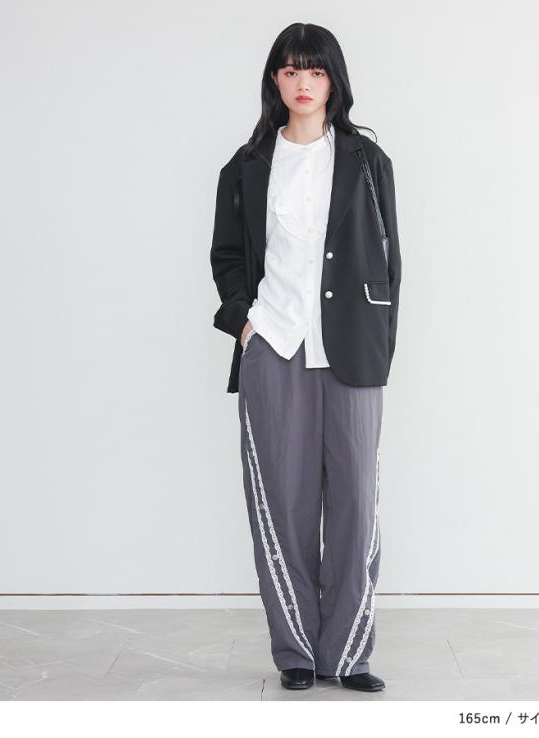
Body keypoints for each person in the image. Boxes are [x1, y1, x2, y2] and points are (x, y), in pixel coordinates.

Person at [210, 22, 401, 693]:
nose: (302, 83)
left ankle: (346, 655)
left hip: (352, 353)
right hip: (274, 348)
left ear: (333, 81)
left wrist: (381, 343)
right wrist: (245, 324)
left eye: (315, 71)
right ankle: (295, 649)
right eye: (290, 70)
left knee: (355, 504)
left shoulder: (367, 161)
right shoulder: (246, 166)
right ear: (274, 79)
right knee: (282, 505)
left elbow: (390, 262)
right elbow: (227, 257)